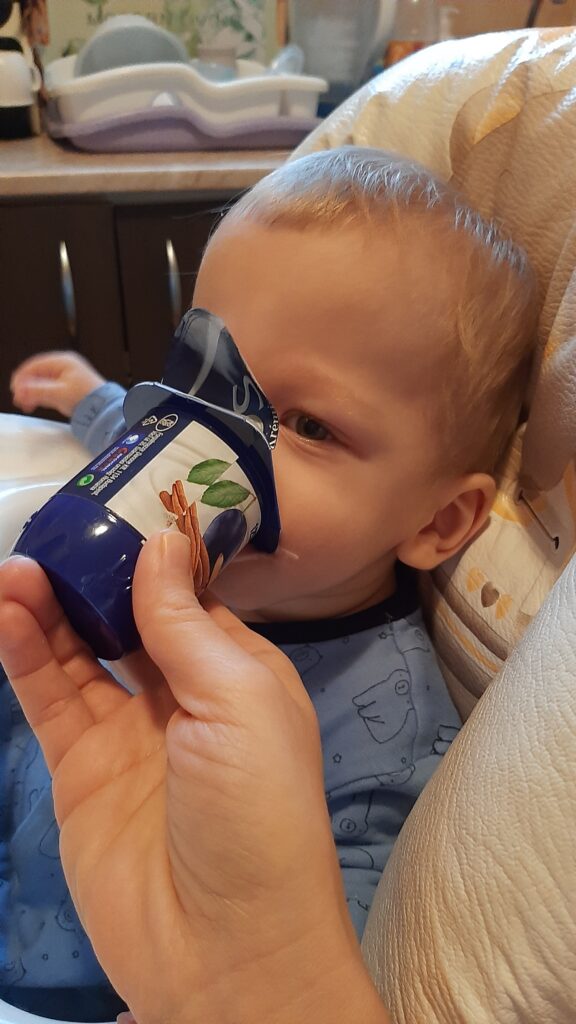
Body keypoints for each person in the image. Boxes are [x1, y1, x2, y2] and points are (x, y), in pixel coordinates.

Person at [1, 147, 538, 1020]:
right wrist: (97, 400)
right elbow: (148, 444)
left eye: (308, 426)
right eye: (199, 379)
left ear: (435, 523)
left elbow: (312, 963)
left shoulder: (385, 736)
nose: (204, 447)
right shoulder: (164, 512)